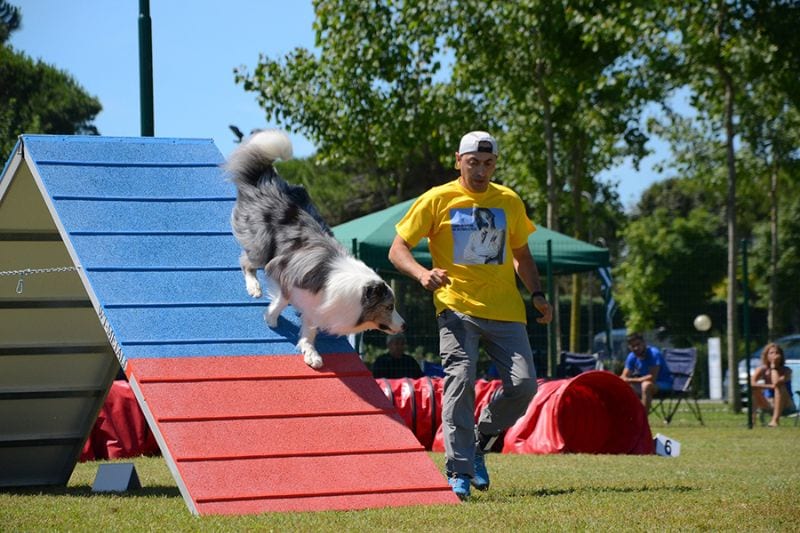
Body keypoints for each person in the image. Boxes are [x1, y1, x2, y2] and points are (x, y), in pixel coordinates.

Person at [388, 130, 553, 501]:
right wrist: (422, 274)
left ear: (496, 164)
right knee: (460, 381)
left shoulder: (508, 200)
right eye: (474, 162)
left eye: (489, 163)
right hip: (456, 307)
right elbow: (398, 249)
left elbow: (522, 255)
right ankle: (459, 469)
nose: (481, 170)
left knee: (525, 385)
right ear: (458, 160)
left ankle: (480, 440)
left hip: (507, 310)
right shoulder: (437, 199)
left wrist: (538, 294)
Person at [620, 332, 672, 412]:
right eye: (633, 346)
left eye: (638, 344)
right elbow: (623, 377)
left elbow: (652, 378)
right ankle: (627, 416)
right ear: (629, 347)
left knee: (646, 385)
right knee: (623, 386)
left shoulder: (654, 354)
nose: (636, 348)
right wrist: (627, 381)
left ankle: (643, 419)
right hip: (643, 384)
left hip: (663, 384)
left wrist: (631, 380)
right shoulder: (632, 356)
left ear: (644, 343)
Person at [751, 343, 795, 427]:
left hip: (786, 404)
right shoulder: (761, 369)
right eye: (771, 353)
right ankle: (752, 421)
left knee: (780, 387)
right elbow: (752, 383)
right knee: (754, 389)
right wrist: (768, 386)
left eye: (777, 353)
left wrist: (773, 367)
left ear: (781, 356)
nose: (774, 355)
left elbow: (776, 383)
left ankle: (775, 420)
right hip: (768, 403)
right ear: (766, 355)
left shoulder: (787, 370)